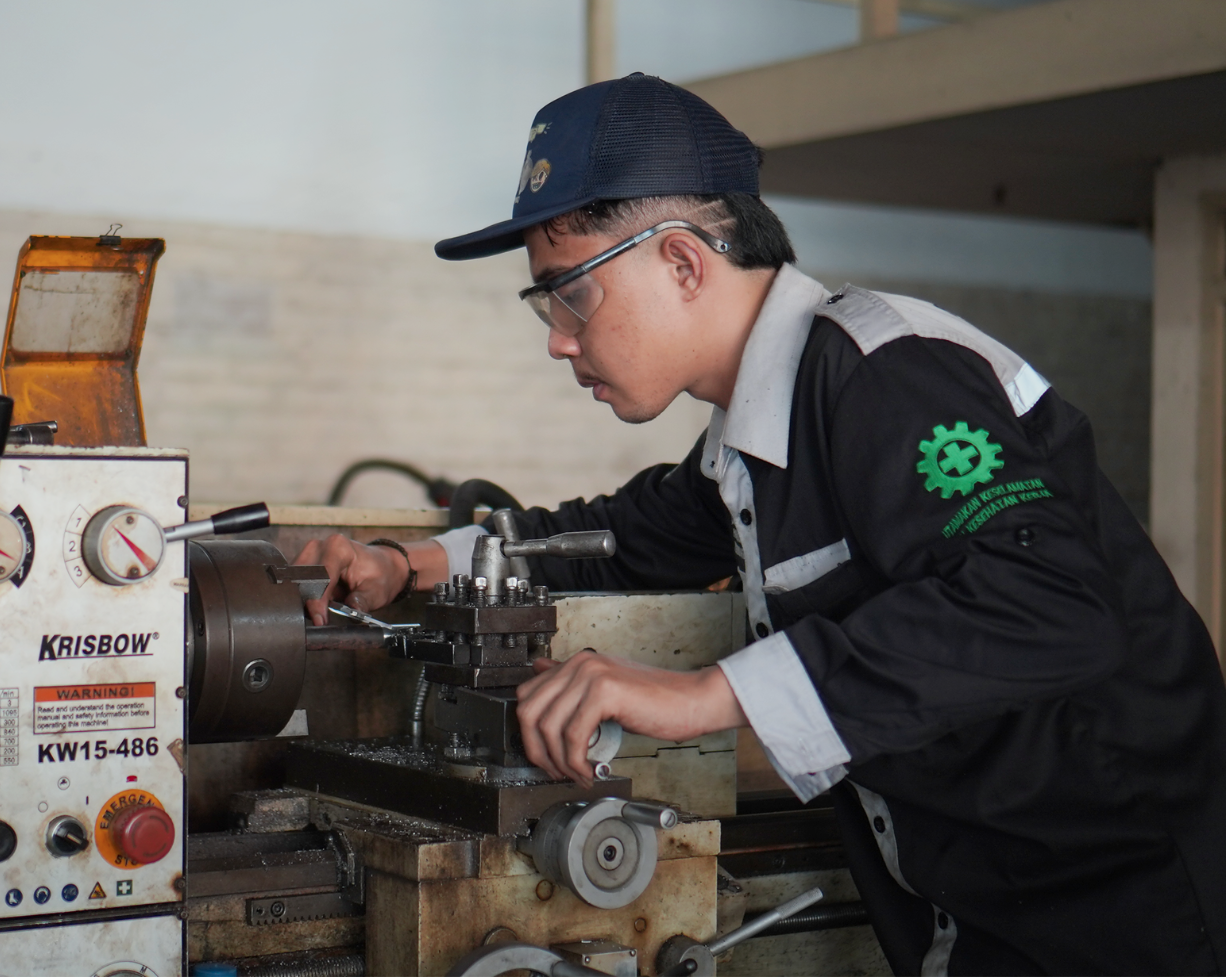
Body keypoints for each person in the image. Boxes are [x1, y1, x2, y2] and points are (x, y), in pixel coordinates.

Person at [296, 73, 1226, 973]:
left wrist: (706, 694)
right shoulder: (750, 445)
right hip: (977, 905)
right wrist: (412, 563)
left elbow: (1050, 605)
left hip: (1128, 909)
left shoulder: (887, 373)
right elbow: (621, 538)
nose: (557, 338)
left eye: (569, 291)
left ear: (681, 260)